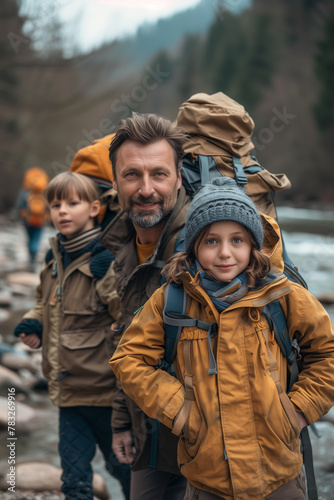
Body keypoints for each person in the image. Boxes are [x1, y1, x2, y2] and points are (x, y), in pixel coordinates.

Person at [109, 176, 334, 500]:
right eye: (212, 241)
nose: (225, 253)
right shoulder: (170, 299)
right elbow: (128, 359)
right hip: (207, 478)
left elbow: (326, 352)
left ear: (252, 244)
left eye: (237, 240)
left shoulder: (282, 296)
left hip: (279, 476)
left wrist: (297, 410)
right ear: (195, 245)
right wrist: (179, 411)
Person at [13, 172, 131, 500]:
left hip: (104, 395)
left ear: (94, 208)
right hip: (67, 394)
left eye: (72, 203)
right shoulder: (53, 259)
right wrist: (33, 323)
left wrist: (108, 273)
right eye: (55, 204)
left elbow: (126, 321)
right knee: (74, 480)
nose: (62, 211)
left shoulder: (103, 260)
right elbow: (43, 303)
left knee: (122, 470)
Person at [100, 112, 190, 500]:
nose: (146, 188)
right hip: (149, 435)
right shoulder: (120, 248)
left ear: (179, 178)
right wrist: (122, 423)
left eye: (159, 173)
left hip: (210, 442)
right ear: (115, 181)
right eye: (132, 174)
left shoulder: (208, 248)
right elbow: (127, 342)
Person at [17, 166, 49, 266]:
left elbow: (20, 206)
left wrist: (21, 217)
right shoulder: (43, 193)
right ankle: (33, 258)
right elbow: (48, 207)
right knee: (36, 238)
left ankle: (30, 257)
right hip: (40, 220)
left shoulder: (26, 192)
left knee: (29, 238)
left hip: (28, 219)